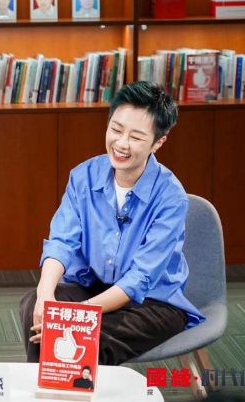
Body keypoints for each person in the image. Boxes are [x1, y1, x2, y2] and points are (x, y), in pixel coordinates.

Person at [19, 81, 205, 365]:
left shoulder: (171, 198)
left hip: (152, 303)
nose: (121, 144)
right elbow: (61, 242)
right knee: (34, 304)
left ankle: (65, 386)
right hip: (95, 286)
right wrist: (46, 295)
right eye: (116, 130)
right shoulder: (83, 176)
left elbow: (140, 278)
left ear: (158, 143)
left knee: (87, 334)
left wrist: (78, 316)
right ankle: (48, 386)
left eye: (136, 137)